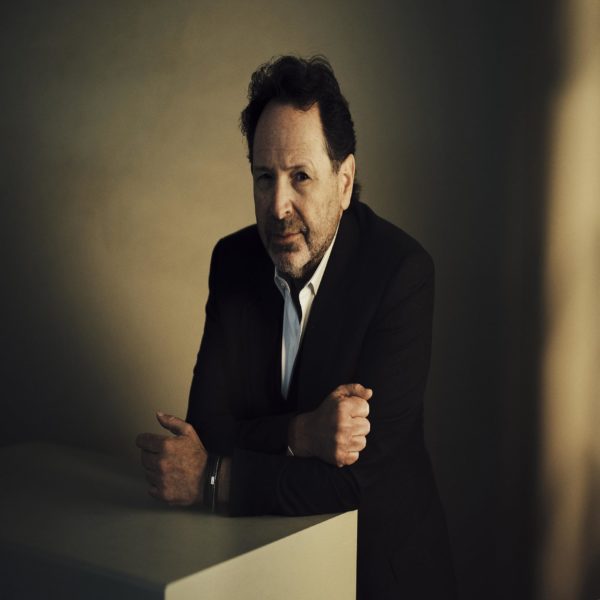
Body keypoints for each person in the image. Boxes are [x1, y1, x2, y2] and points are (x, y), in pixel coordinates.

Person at [136, 55, 456, 599]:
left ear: (344, 181)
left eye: (300, 176)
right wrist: (302, 434)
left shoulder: (401, 273)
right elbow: (209, 427)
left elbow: (356, 480)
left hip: (379, 575)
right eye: (265, 177)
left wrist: (215, 479)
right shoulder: (234, 261)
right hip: (261, 567)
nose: (278, 205)